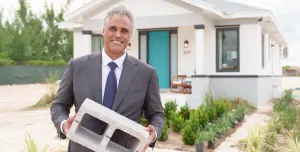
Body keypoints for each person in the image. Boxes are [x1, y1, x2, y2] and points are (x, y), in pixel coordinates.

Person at [50, 5, 164, 152]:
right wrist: (64, 123)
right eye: (113, 28)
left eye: (124, 31)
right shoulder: (77, 66)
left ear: (130, 36)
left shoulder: (146, 73)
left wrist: (153, 132)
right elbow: (59, 105)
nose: (118, 34)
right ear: (103, 31)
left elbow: (156, 114)